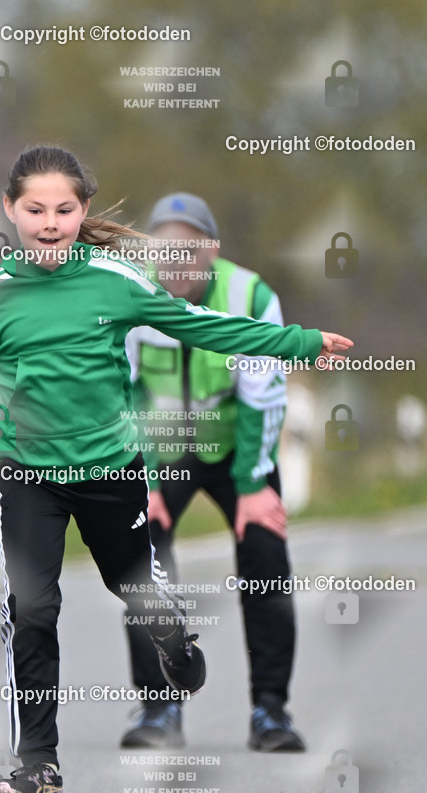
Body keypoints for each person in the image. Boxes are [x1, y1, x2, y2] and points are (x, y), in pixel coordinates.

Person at [0, 147, 353, 793]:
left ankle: (170, 634)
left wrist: (298, 343)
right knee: (31, 608)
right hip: (26, 473)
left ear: (82, 210)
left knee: (135, 587)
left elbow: (202, 327)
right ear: (10, 210)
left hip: (108, 470)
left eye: (64, 209)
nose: (50, 222)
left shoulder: (117, 281)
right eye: (35, 209)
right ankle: (40, 770)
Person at [122, 192, 308, 753]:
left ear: (212, 251)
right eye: (164, 250)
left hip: (236, 447)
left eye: (189, 250)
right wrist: (145, 480)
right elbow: (120, 393)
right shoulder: (128, 292)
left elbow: (264, 395)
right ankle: (160, 707)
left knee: (266, 555)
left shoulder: (250, 295)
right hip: (160, 451)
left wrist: (252, 485)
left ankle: (270, 711)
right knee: (141, 560)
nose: (175, 262)